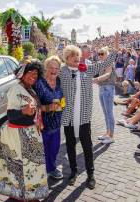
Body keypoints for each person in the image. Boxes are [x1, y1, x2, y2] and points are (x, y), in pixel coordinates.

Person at [59, 33, 119, 189]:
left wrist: (116, 47)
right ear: (67, 58)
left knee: (87, 146)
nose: (77, 58)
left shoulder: (87, 69)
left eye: (77, 56)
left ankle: (91, 175)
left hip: (84, 116)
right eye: (73, 56)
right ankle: (73, 172)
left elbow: (107, 61)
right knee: (71, 145)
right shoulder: (63, 71)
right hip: (69, 116)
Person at [0, 62, 49, 201]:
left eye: (36, 74)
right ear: (22, 74)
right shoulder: (15, 89)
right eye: (30, 72)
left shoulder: (30, 89)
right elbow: (11, 116)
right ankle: (22, 195)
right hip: (17, 136)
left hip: (29, 134)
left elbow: (35, 110)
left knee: (30, 167)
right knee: (20, 166)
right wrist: (24, 111)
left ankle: (28, 194)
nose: (33, 76)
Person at [34, 56, 64, 180]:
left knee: (55, 148)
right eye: (51, 67)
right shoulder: (39, 83)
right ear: (46, 68)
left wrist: (62, 103)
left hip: (56, 123)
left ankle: (51, 168)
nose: (54, 70)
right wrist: (47, 108)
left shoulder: (60, 81)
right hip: (43, 125)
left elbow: (63, 97)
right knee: (43, 149)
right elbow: (33, 105)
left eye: (56, 68)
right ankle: (44, 171)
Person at [93, 47, 117, 144]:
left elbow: (107, 75)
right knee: (106, 113)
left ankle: (111, 136)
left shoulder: (109, 63)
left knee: (109, 113)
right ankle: (108, 133)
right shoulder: (101, 64)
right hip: (102, 88)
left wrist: (95, 79)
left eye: (102, 53)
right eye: (99, 53)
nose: (100, 55)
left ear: (107, 54)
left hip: (107, 88)